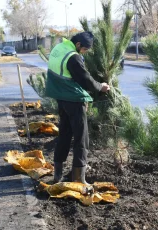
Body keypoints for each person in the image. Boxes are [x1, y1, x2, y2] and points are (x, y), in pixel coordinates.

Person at [45, 32, 110, 184]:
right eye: (85, 50)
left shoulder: (60, 47)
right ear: (79, 44)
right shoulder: (73, 56)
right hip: (73, 99)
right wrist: (101, 87)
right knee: (81, 138)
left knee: (65, 134)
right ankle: (78, 178)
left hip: (60, 96)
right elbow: (85, 79)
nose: (84, 53)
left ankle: (58, 175)